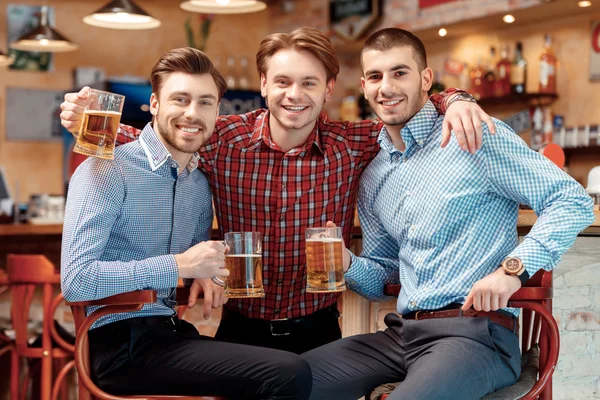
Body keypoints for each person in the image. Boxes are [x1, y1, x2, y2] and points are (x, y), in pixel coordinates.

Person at [60, 27, 494, 355]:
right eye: (282, 81)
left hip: (321, 328)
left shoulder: (353, 142)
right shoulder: (222, 139)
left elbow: (404, 105)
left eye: (309, 83)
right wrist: (87, 117)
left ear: (328, 90)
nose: (294, 95)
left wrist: (456, 98)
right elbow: (169, 136)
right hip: (239, 327)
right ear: (264, 84)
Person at [302, 28, 595, 400]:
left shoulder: (473, 134)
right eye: (375, 76)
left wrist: (512, 272)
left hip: (475, 336)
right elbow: (385, 275)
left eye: (400, 73)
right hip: (403, 335)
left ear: (426, 79)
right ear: (363, 85)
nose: (386, 87)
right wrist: (347, 263)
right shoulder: (374, 172)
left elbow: (572, 199)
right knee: (286, 381)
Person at [61, 47, 312, 399]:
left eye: (205, 103)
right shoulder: (106, 168)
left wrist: (202, 274)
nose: (192, 114)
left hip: (170, 334)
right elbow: (76, 281)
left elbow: (190, 268)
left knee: (286, 364)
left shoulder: (198, 185)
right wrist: (178, 265)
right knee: (287, 372)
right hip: (118, 347)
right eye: (180, 99)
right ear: (155, 103)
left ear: (217, 111)